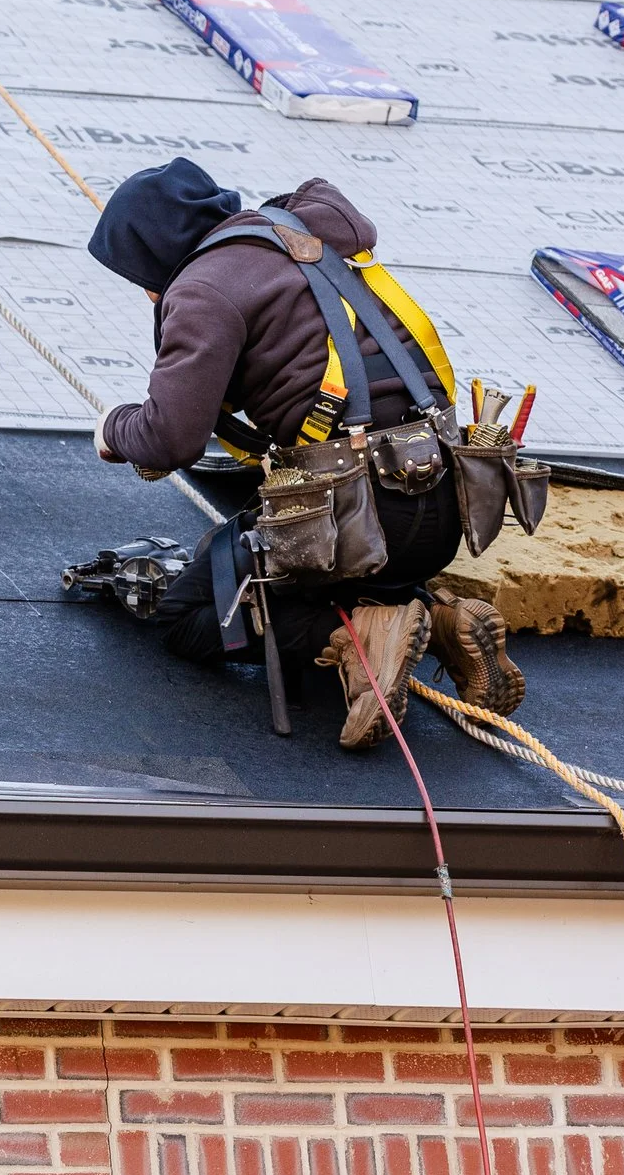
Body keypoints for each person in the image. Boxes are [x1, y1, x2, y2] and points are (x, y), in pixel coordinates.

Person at [85, 160, 525, 749]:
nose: (144, 291)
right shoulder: (310, 234)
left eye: (139, 274)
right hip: (446, 495)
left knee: (189, 618)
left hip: (354, 523)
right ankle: (443, 622)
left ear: (156, 254)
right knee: (338, 570)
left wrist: (113, 431)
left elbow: (170, 439)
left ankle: (361, 635)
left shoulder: (202, 289)